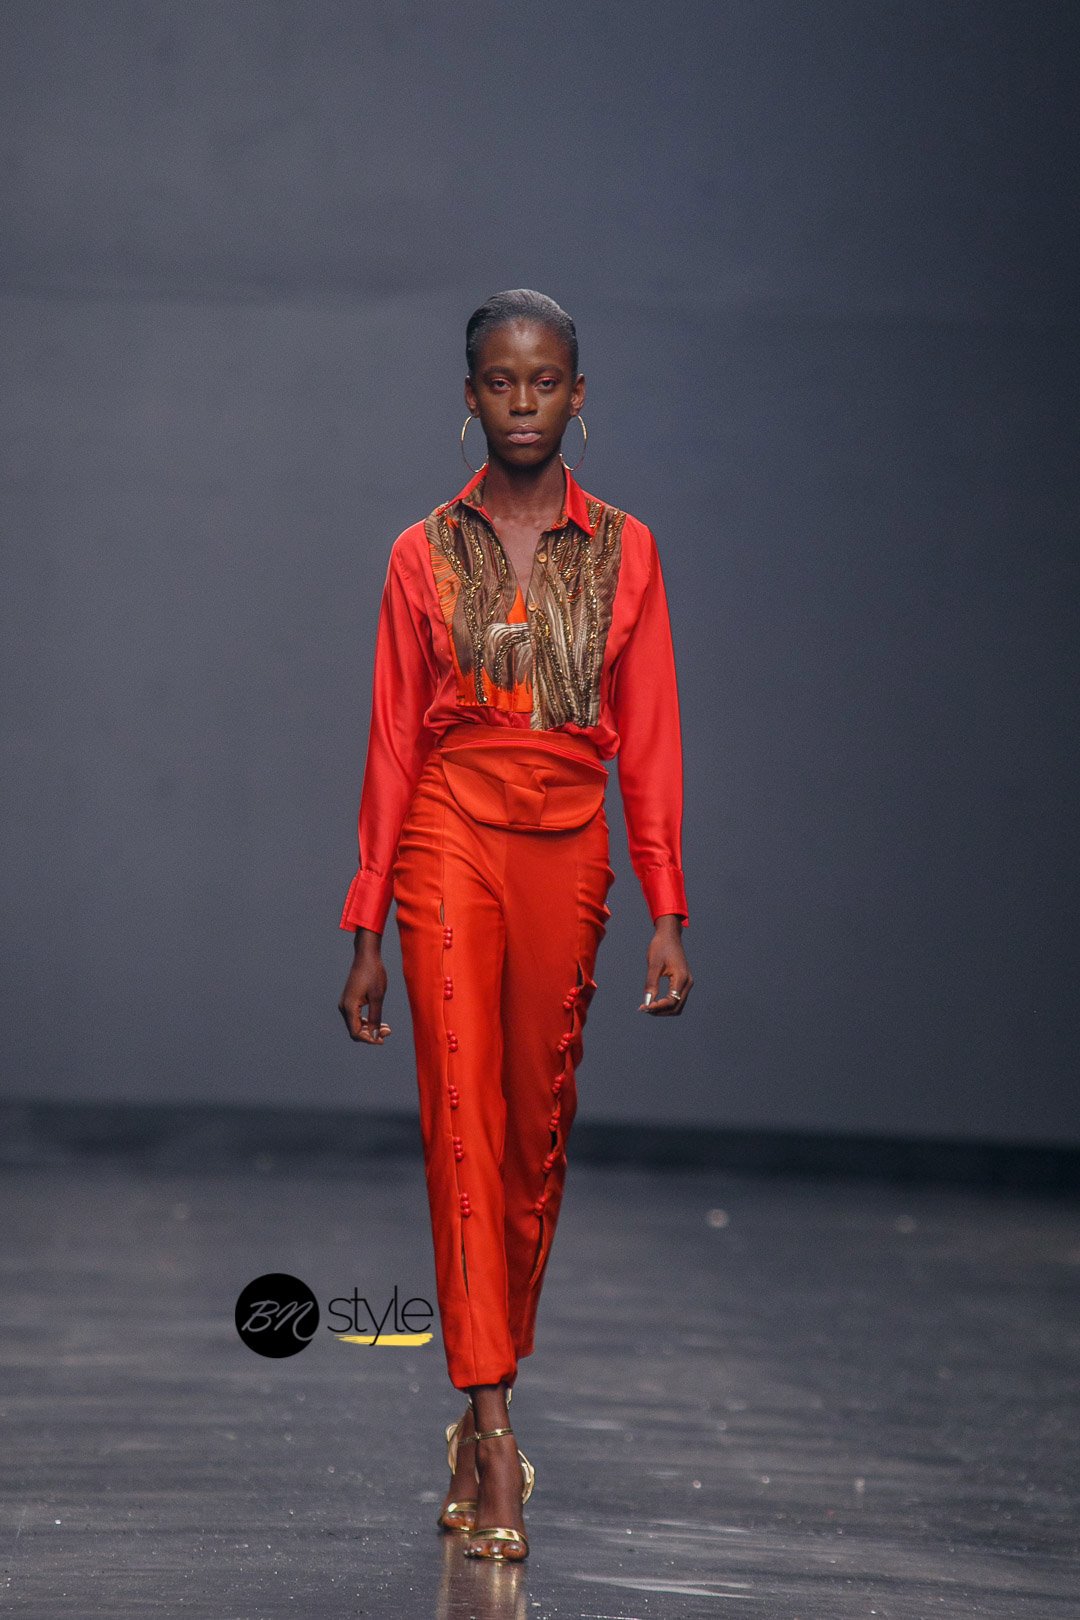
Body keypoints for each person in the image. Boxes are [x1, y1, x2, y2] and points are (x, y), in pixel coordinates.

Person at [337, 289, 693, 1561]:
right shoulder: (420, 552)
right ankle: (492, 1431)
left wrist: (667, 905)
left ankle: (487, 1380)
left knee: (535, 1134)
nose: (524, 402)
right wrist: (366, 919)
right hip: (447, 832)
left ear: (578, 397)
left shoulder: (630, 550)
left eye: (545, 382)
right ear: (470, 397)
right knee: (460, 1122)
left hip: (570, 842)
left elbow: (652, 734)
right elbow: (392, 738)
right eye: (501, 381)